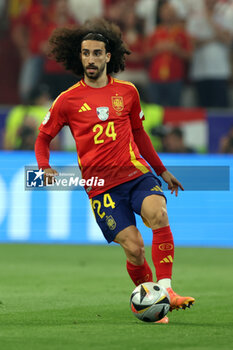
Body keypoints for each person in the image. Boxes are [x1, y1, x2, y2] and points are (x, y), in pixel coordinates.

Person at [35, 18, 195, 324]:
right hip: (101, 188)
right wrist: (44, 167)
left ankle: (167, 290)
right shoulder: (67, 100)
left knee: (159, 213)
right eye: (86, 53)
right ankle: (152, 300)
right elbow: (43, 138)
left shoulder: (128, 92)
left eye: (97, 53)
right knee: (135, 249)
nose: (91, 59)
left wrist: (161, 170)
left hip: (136, 175)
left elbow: (140, 134)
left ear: (108, 56)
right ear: (79, 57)